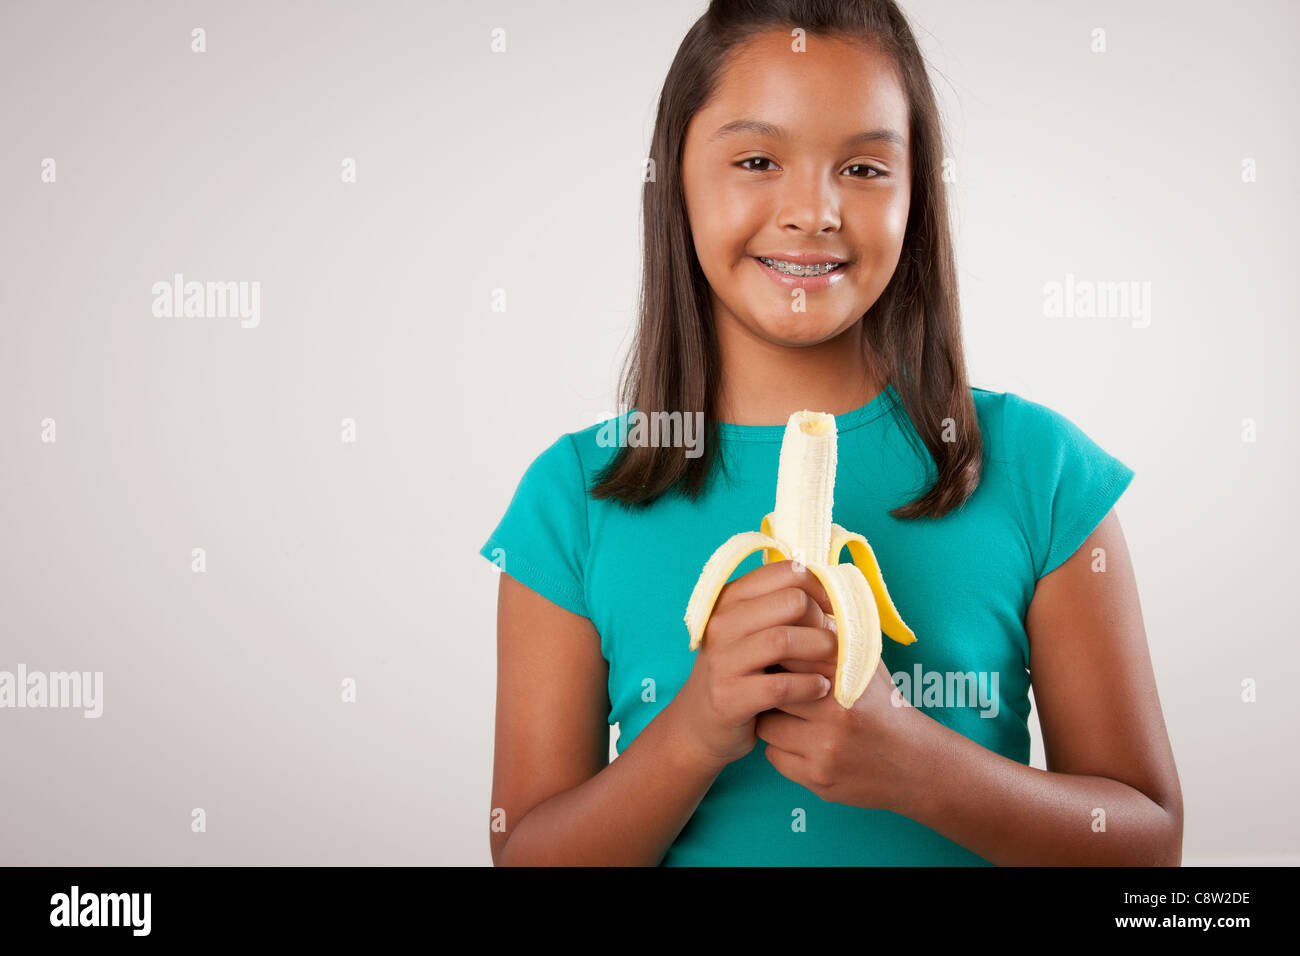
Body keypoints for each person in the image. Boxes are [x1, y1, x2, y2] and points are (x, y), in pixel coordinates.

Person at [478, 0, 1182, 866]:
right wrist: (694, 730)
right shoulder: (573, 500)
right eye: (758, 159)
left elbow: (1147, 843)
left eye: (862, 167)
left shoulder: (1040, 472)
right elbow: (525, 855)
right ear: (675, 179)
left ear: (918, 192)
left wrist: (916, 766)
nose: (812, 211)